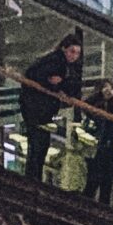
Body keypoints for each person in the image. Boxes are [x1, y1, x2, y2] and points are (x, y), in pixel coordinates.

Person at [19, 33, 82, 186]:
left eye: (77, 53)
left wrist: (59, 85)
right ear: (64, 49)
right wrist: (53, 84)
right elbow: (36, 76)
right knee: (39, 144)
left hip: (39, 108)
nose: (74, 56)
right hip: (37, 108)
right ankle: (33, 180)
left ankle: (34, 178)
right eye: (72, 51)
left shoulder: (62, 65)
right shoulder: (57, 61)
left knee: (39, 144)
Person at [84, 78, 113, 206]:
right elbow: (85, 106)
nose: (109, 91)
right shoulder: (96, 104)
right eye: (106, 88)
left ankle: (103, 207)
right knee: (93, 179)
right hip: (98, 145)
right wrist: (100, 95)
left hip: (110, 146)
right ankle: (87, 204)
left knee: (107, 181)